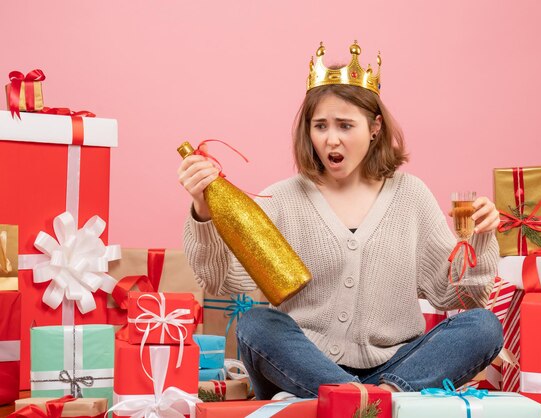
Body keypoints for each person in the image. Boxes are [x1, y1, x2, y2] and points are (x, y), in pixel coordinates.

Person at [178, 41, 503, 399]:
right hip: (306, 362)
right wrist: (203, 210)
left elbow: (453, 295)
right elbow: (220, 279)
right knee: (256, 324)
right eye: (320, 126)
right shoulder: (283, 198)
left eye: (345, 126)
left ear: (375, 127)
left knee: (483, 326)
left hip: (397, 364)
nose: (331, 139)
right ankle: (370, 400)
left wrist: (480, 239)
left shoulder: (411, 195)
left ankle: (367, 397)